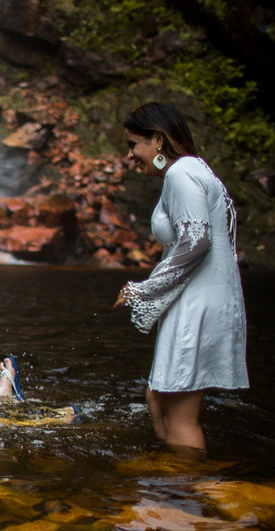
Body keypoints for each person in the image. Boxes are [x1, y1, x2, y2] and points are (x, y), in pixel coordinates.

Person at [113, 102, 248, 451]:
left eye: (133, 144)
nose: (130, 155)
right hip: (198, 297)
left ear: (157, 140)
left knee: (180, 416)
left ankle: (184, 495)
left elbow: (197, 243)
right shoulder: (192, 170)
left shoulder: (181, 173)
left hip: (197, 303)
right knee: (157, 397)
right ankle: (167, 484)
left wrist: (144, 289)